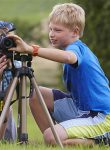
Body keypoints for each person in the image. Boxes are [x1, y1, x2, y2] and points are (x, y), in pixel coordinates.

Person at [7, 3, 110, 146]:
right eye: (50, 29)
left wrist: (32, 49)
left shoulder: (76, 48)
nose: (51, 34)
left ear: (75, 31)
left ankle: (98, 142)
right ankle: (55, 140)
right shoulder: (70, 48)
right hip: (79, 108)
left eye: (57, 30)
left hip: (101, 115)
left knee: (51, 136)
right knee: (38, 94)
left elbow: (69, 58)